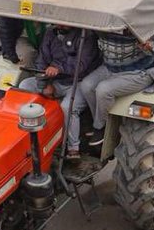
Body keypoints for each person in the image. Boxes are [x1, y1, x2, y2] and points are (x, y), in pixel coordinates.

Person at [18, 27, 100, 159]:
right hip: (54, 80)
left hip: (77, 82)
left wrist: (58, 68)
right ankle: (25, 134)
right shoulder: (51, 33)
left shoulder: (87, 36)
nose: (59, 25)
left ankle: (74, 148)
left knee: (68, 107)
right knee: (24, 86)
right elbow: (41, 60)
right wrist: (44, 84)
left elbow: (81, 64)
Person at [78, 31, 154, 150]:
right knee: (86, 85)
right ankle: (97, 120)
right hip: (110, 68)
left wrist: (149, 46)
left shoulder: (139, 26)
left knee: (103, 90)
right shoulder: (106, 23)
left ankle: (100, 127)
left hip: (138, 71)